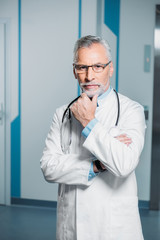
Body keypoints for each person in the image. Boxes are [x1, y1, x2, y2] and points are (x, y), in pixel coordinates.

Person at [40, 35, 146, 240]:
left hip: (114, 228)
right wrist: (97, 165)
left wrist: (89, 122)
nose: (89, 76)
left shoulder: (131, 110)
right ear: (74, 71)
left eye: (98, 66)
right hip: (71, 227)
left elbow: (124, 164)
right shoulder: (63, 113)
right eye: (82, 67)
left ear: (110, 68)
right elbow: (48, 167)